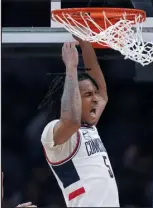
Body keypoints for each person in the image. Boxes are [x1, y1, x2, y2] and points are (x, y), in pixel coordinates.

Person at [41, 40, 119, 207]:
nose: (96, 99)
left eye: (94, 94)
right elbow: (71, 120)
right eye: (88, 95)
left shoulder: (89, 126)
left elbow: (103, 93)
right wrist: (71, 68)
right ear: (73, 98)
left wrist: (85, 42)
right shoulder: (52, 132)